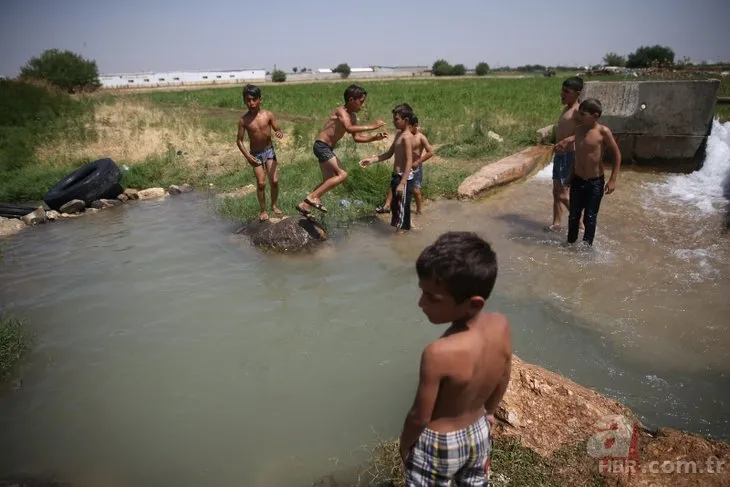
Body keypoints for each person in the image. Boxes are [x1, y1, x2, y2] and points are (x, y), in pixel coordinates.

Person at [399, 231, 512, 486]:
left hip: (439, 444)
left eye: (432, 298)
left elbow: (420, 416)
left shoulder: (438, 353)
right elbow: (504, 375)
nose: (421, 303)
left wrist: (405, 447)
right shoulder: (502, 326)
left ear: (473, 304)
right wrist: (490, 412)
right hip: (479, 432)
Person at [296, 84, 388, 218]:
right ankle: (312, 197)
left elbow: (356, 138)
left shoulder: (353, 117)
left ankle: (304, 205)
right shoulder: (341, 111)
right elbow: (349, 128)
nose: (363, 105)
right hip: (321, 146)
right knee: (342, 174)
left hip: (326, 148)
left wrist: (374, 138)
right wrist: (373, 126)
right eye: (361, 101)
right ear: (351, 100)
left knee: (329, 180)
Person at [566, 98, 621, 248]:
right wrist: (570, 176)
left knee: (589, 217)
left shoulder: (603, 132)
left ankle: (586, 248)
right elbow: (577, 157)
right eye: (579, 114)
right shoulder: (578, 130)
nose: (580, 117)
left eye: (583, 114)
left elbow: (617, 155)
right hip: (577, 179)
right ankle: (570, 245)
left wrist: (613, 180)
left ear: (595, 115)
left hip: (594, 182)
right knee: (573, 216)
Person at [359, 104, 417, 232]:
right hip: (396, 177)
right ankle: (413, 229)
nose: (393, 122)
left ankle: (399, 245)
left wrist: (402, 183)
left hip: (404, 179)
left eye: (396, 119)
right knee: (399, 211)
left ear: (406, 120)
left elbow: (409, 162)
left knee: (400, 225)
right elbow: (389, 154)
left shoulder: (407, 137)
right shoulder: (398, 135)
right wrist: (372, 160)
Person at [236, 84, 284, 222]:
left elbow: (276, 128)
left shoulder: (268, 115)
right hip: (255, 154)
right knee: (261, 183)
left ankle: (274, 205)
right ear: (244, 101)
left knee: (274, 181)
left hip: (269, 151)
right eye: (248, 100)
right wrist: (248, 156)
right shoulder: (244, 120)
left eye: (254, 100)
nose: (251, 103)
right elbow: (239, 141)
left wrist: (278, 132)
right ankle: (263, 210)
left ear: (260, 100)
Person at [375, 114, 434, 215]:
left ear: (416, 125)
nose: (408, 130)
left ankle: (419, 211)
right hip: (404, 166)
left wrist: (418, 162)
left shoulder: (421, 138)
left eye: (410, 127)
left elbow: (431, 152)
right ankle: (387, 205)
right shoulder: (404, 135)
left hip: (415, 167)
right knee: (393, 184)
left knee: (415, 190)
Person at [546, 76, 584, 232]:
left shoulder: (577, 111)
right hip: (560, 156)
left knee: (563, 194)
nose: (562, 94)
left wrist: (568, 140)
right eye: (562, 90)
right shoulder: (567, 108)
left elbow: (586, 132)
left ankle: (582, 224)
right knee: (556, 192)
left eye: (567, 92)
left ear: (577, 93)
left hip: (569, 156)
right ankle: (556, 224)